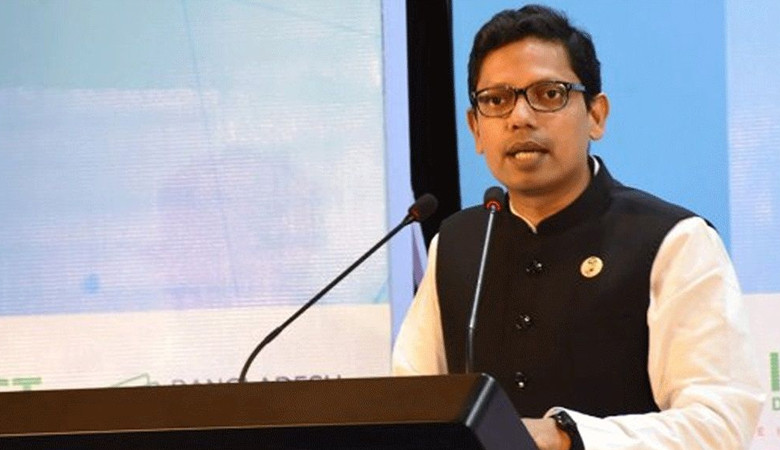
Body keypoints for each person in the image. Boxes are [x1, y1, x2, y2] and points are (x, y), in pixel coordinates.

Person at [392, 4, 765, 450]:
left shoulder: (674, 240)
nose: (520, 117)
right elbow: (411, 407)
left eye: (549, 94)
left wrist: (566, 436)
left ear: (596, 115)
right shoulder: (457, 243)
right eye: (496, 100)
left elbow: (719, 424)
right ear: (475, 128)